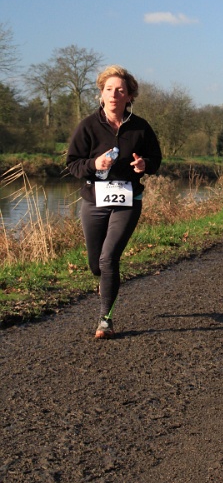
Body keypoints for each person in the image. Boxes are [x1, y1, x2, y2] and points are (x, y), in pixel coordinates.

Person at [67, 65, 162, 339]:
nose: (113, 94)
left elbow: (156, 160)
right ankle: (106, 282)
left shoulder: (141, 127)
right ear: (101, 93)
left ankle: (105, 320)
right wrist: (94, 164)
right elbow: (72, 164)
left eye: (120, 90)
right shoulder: (88, 126)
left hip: (127, 201)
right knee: (96, 264)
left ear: (129, 96)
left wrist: (145, 165)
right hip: (94, 201)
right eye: (108, 89)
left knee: (109, 258)